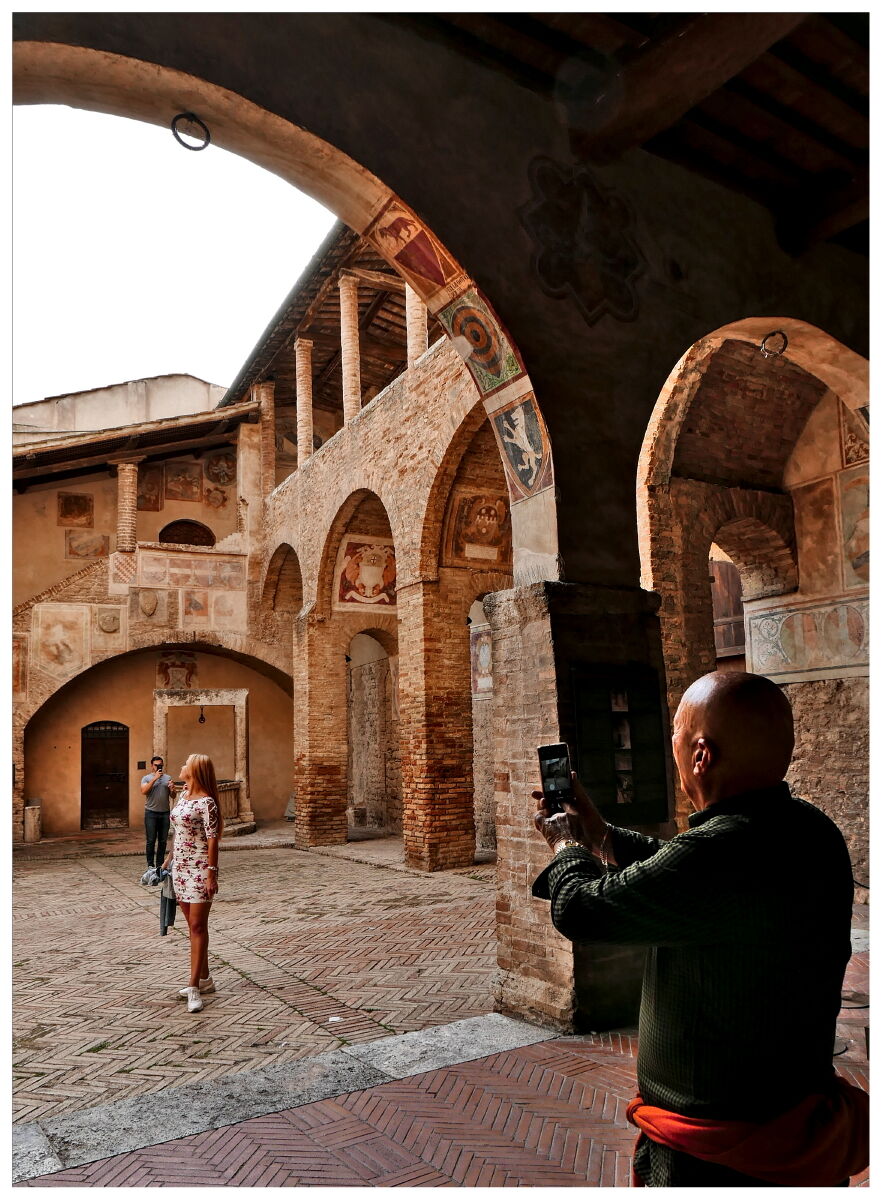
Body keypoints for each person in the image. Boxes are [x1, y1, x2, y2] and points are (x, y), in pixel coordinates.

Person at [532, 670, 867, 1187]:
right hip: (789, 1113)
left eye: (676, 736)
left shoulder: (721, 851)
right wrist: (597, 831)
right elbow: (678, 869)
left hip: (718, 1152)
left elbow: (581, 909)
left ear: (701, 755)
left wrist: (565, 845)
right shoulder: (807, 829)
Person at [160, 753, 223, 1013]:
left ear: (195, 771)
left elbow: (212, 839)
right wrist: (168, 860)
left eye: (186, 763)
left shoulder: (207, 803)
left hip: (199, 868)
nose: (182, 765)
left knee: (197, 927)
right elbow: (180, 834)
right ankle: (206, 980)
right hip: (180, 868)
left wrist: (212, 873)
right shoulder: (184, 795)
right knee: (192, 928)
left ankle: (194, 986)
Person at [139, 756, 172, 885]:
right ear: (152, 766)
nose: (159, 767)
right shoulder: (146, 778)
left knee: (163, 840)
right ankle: (150, 865)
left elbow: (173, 795)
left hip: (164, 813)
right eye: (156, 765)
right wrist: (155, 778)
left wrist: (173, 789)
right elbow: (144, 791)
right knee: (151, 840)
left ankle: (159, 864)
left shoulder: (168, 778)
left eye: (161, 765)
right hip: (151, 813)